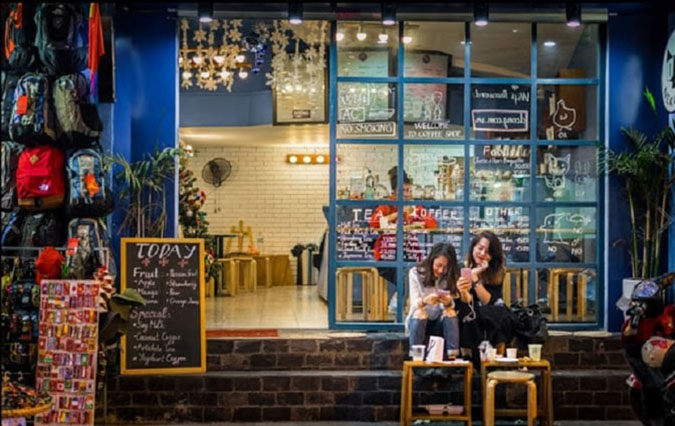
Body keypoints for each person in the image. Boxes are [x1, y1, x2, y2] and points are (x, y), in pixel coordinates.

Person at [406, 243, 468, 359]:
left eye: (445, 267)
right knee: (420, 312)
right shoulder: (416, 273)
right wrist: (425, 301)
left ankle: (452, 356)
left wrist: (448, 302)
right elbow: (414, 303)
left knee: (450, 312)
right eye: (438, 265)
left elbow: (452, 304)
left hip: (439, 322)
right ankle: (416, 356)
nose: (440, 270)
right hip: (418, 320)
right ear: (432, 260)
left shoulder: (449, 277)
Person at [454, 230, 509, 356]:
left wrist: (475, 278)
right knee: (469, 313)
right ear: (473, 247)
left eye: (488, 252)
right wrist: (465, 283)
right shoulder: (460, 268)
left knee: (498, 316)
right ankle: (468, 356)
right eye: (480, 248)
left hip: (486, 311)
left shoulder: (496, 271)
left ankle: (493, 357)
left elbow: (488, 301)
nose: (483, 254)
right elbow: (459, 299)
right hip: (465, 308)